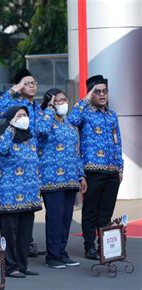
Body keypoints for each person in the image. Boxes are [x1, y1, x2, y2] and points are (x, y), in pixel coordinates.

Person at [0, 68, 45, 257]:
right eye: (27, 83)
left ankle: (24, 248)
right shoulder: (15, 105)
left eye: (34, 82)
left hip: (33, 163)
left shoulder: (37, 107)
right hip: (14, 163)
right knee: (12, 215)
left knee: (28, 211)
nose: (32, 86)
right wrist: (14, 89)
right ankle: (12, 257)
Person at [68, 75, 123, 260]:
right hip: (92, 170)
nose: (102, 95)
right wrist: (85, 99)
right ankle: (89, 246)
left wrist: (120, 167)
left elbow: (118, 142)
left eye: (104, 91)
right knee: (90, 210)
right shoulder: (85, 112)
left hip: (112, 170)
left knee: (106, 211)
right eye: (97, 91)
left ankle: (104, 246)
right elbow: (71, 119)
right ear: (91, 93)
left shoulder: (111, 115)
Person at [37, 88, 87, 268]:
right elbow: (41, 131)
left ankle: (62, 252)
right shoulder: (44, 118)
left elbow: (75, 152)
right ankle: (52, 256)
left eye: (65, 99)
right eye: (59, 100)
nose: (63, 103)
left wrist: (81, 176)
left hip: (70, 178)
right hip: (51, 179)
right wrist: (50, 109)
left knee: (66, 218)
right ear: (50, 102)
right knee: (55, 217)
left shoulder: (67, 123)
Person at [0, 106, 42, 278]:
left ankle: (23, 265)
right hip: (9, 195)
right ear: (11, 120)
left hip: (29, 194)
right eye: (19, 115)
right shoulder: (6, 137)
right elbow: (0, 149)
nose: (23, 117)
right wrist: (11, 129)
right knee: (9, 234)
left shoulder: (30, 139)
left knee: (25, 234)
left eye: (25, 115)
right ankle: (9, 267)